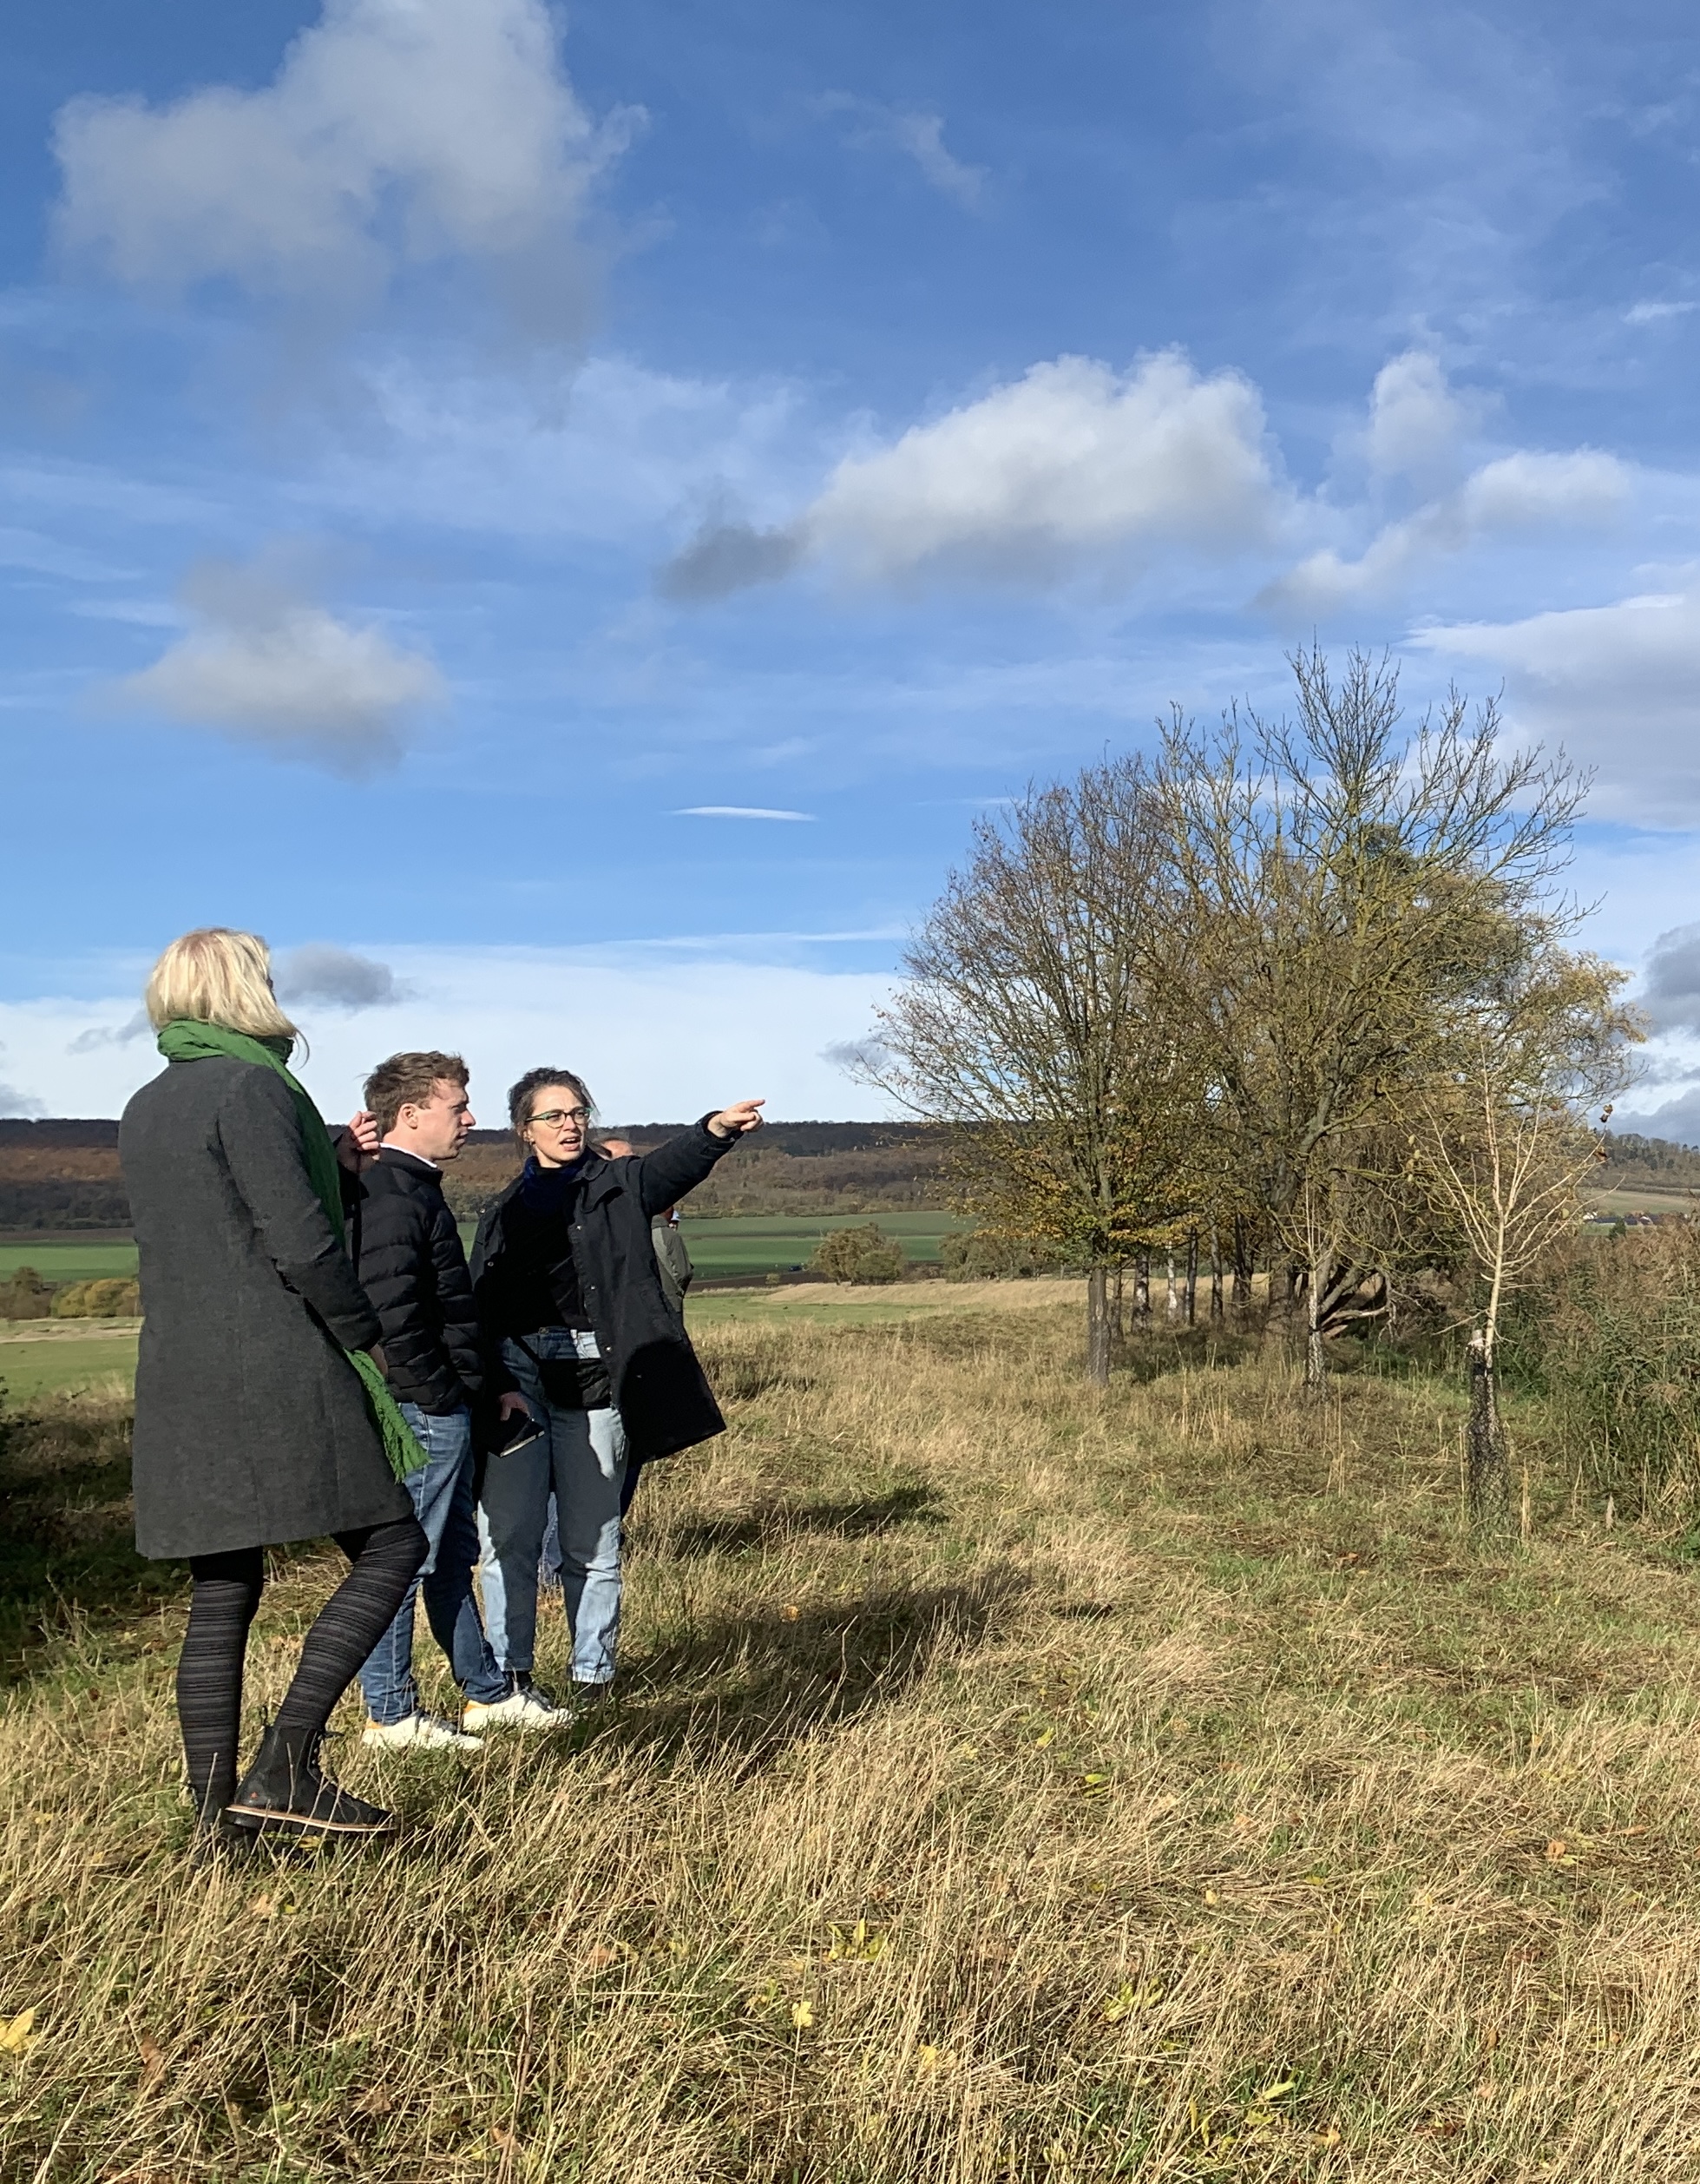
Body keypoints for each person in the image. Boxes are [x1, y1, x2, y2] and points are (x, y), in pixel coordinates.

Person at [119, 928, 428, 1847]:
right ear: (243, 991)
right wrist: (366, 1339)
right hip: (275, 1359)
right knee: (391, 1540)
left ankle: (221, 1828)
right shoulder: (256, 1085)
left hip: (180, 1369)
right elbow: (297, 1242)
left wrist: (327, 1164)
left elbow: (218, 1217)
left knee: (223, 1586)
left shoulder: (147, 1099)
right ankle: (288, 1764)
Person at [471, 1072, 762, 1707]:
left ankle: (591, 1678)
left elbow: (668, 1171)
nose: (569, 1125)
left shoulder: (618, 1185)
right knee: (509, 1540)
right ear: (525, 1129)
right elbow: (481, 1309)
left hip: (594, 1376)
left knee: (592, 1541)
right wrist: (492, 1383)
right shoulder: (499, 1210)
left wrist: (714, 1130)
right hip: (519, 1381)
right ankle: (510, 1680)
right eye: (552, 1116)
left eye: (577, 1113)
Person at [349, 1052, 561, 1748]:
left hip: (451, 1406)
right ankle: (390, 1713)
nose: (470, 1119)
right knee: (404, 1562)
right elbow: (393, 1317)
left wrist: (486, 1388)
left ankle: (489, 1692)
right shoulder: (389, 1194)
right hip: (425, 1410)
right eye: (456, 1106)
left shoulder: (414, 1187)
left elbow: (447, 1310)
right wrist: (440, 1400)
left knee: (447, 1556)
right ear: (410, 1115)